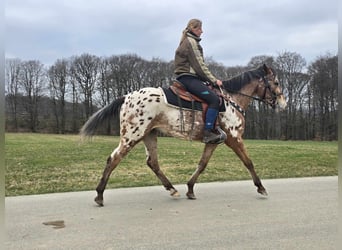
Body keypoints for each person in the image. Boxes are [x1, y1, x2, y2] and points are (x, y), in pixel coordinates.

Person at [174, 18, 226, 144]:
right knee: (214, 99)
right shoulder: (191, 42)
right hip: (188, 78)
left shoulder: (187, 41)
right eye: (200, 29)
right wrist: (214, 80)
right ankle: (208, 132)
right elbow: (200, 66)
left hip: (188, 77)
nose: (202, 31)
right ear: (193, 28)